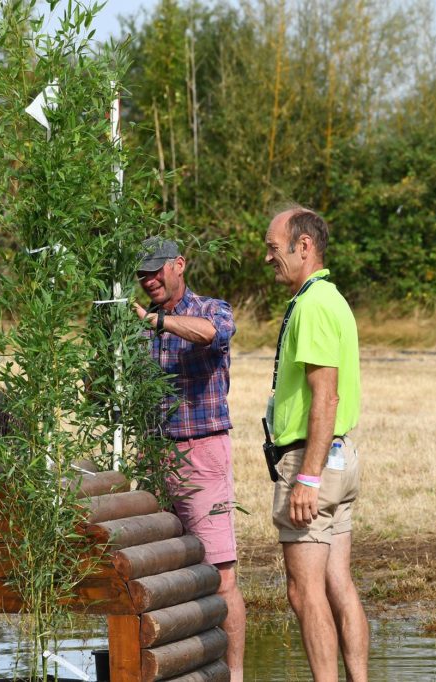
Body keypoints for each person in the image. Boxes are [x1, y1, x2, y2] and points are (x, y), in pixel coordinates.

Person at [132, 237, 246, 682]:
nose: (150, 280)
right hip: (153, 458)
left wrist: (160, 323)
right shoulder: (136, 324)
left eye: (157, 270)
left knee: (221, 577)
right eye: (143, 274)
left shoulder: (211, 309)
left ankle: (233, 676)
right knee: (160, 576)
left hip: (202, 453)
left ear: (179, 265)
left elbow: (212, 334)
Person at [263, 208, 369, 681]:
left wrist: (305, 477)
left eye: (273, 247)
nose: (268, 257)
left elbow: (325, 396)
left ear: (302, 246)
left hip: (313, 463)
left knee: (305, 593)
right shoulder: (332, 298)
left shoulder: (313, 305)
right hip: (338, 459)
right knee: (338, 584)